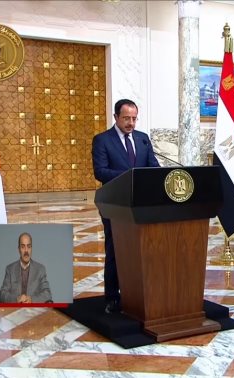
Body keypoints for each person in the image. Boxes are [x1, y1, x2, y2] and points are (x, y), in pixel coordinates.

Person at [92, 99, 160, 313]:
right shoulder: (102, 140)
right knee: (116, 250)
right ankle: (112, 297)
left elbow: (153, 167)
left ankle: (140, 293)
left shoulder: (142, 139)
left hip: (141, 205)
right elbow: (100, 172)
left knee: (142, 249)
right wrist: (131, 176)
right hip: (114, 203)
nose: (131, 123)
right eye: (126, 118)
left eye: (134, 118)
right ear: (116, 117)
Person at [0, 232, 53, 303]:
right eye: (23, 247)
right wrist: (16, 299)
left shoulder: (40, 269)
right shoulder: (10, 269)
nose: (26, 251)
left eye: (29, 246)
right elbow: (2, 294)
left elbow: (47, 294)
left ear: (31, 248)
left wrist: (32, 300)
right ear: (18, 249)